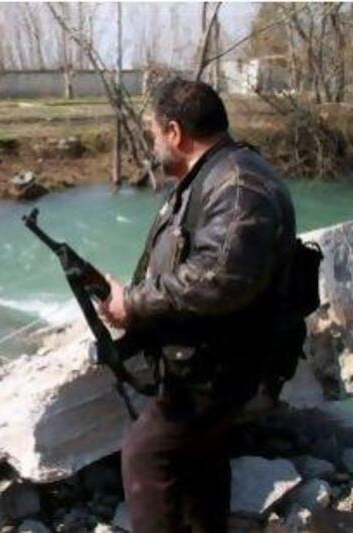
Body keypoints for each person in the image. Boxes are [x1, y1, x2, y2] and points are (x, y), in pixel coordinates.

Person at [98, 78, 297, 533]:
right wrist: (127, 299)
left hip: (222, 366)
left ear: (174, 132)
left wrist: (137, 303)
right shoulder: (216, 174)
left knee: (147, 455)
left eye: (153, 135)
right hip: (214, 357)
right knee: (201, 460)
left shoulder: (239, 183)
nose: (153, 146)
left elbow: (219, 277)